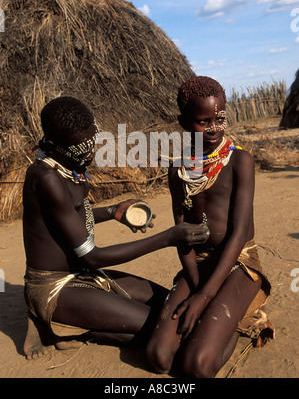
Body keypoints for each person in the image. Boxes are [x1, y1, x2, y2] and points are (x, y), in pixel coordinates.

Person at [22, 96, 207, 360]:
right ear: (53, 146)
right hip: (55, 287)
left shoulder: (69, 166)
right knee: (167, 331)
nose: (91, 154)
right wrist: (167, 238)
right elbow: (92, 256)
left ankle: (74, 323)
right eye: (82, 150)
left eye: (92, 145)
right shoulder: (46, 178)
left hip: (84, 275)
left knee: (169, 305)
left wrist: (112, 211)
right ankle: (55, 325)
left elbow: (68, 219)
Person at [146, 76, 274, 378]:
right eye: (204, 121)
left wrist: (204, 297)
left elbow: (240, 232)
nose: (214, 127)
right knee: (159, 357)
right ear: (183, 121)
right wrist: (194, 281)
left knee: (196, 366)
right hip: (198, 264)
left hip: (238, 263)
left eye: (220, 118)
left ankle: (233, 322)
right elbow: (181, 228)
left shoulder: (240, 161)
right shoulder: (178, 168)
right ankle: (218, 320)